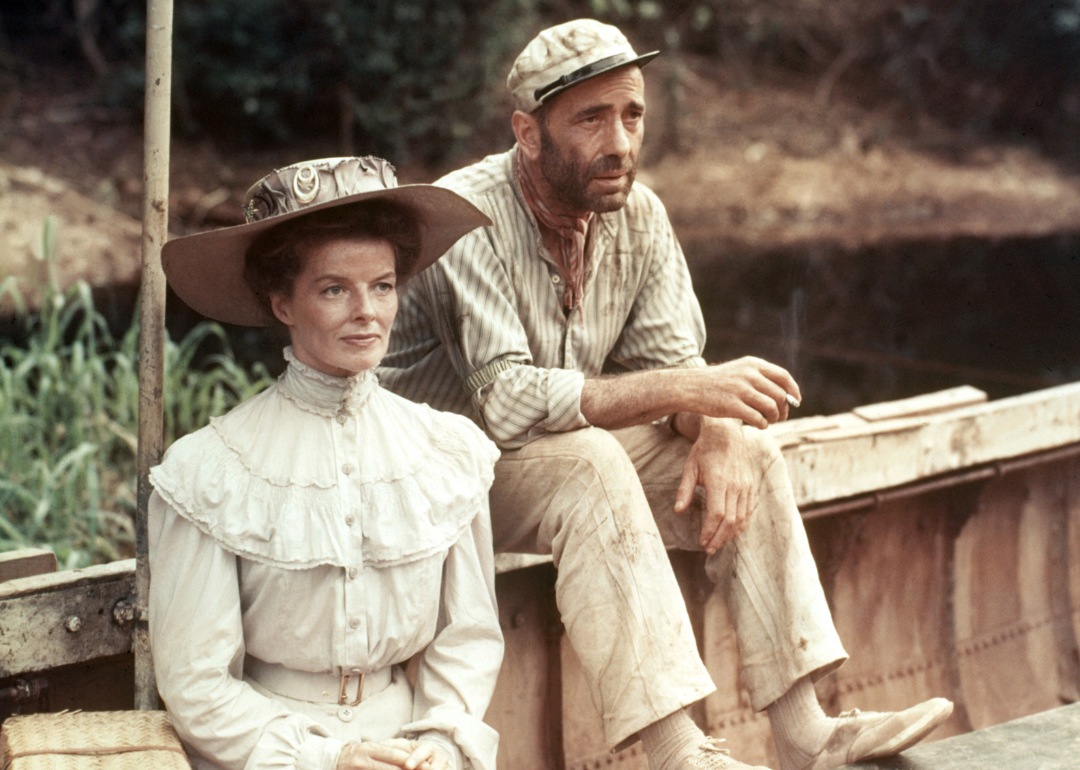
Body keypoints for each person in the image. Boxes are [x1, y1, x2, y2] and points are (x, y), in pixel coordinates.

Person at [378, 19, 953, 770]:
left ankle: (808, 733)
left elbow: (673, 362)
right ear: (527, 132)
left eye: (632, 114)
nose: (620, 143)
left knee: (750, 446)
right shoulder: (466, 215)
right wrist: (694, 387)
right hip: (430, 475)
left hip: (534, 466)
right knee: (590, 462)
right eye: (590, 119)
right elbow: (510, 405)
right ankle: (680, 753)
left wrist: (715, 423)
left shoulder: (639, 215)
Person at [149, 156, 503, 770]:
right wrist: (329, 758)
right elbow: (195, 685)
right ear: (283, 303)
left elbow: (467, 639)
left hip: (412, 748)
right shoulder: (210, 470)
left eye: (383, 285)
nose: (367, 311)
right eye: (335, 288)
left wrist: (442, 743)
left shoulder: (447, 451)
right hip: (268, 751)